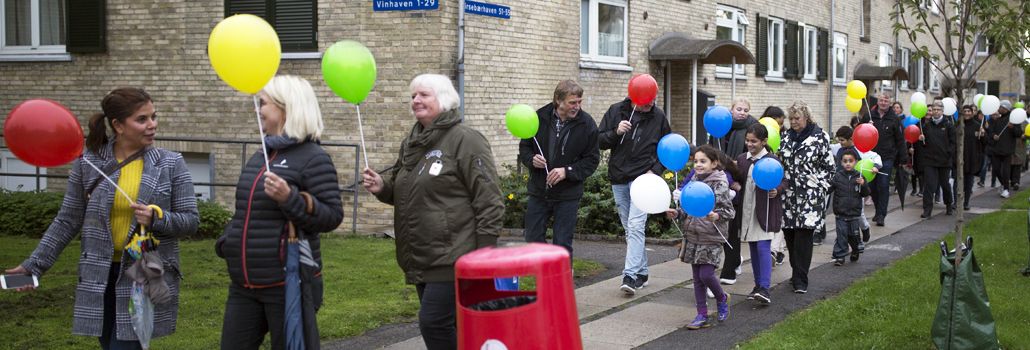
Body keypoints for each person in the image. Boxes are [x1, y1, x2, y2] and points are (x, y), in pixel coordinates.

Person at [5, 88, 199, 349]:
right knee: (108, 343)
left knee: (124, 345)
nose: (152, 125)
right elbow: (67, 220)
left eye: (154, 116)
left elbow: (190, 221)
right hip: (98, 276)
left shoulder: (171, 163)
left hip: (141, 275)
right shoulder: (89, 162)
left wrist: (157, 218)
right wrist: (33, 266)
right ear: (118, 125)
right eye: (142, 119)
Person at [362, 74, 503, 349]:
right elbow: (409, 193)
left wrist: (484, 255)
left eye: (423, 95)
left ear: (444, 98)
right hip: (422, 255)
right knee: (452, 326)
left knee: (434, 323)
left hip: (456, 255)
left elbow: (489, 199)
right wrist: (382, 187)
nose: (415, 100)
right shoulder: (412, 142)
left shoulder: (465, 140)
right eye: (413, 95)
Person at [216, 75, 344, 350]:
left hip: (287, 284)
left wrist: (290, 198)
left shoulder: (313, 157)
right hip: (244, 283)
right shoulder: (261, 154)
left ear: (286, 108)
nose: (257, 109)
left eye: (263, 103)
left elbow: (332, 216)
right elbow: (246, 210)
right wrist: (228, 242)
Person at [598, 92, 671, 295]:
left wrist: (655, 171)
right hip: (619, 177)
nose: (650, 104)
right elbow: (599, 141)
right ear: (634, 97)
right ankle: (642, 272)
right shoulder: (616, 111)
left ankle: (629, 276)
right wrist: (616, 132)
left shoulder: (659, 117)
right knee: (629, 228)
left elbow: (669, 148)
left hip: (644, 178)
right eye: (646, 100)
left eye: (653, 100)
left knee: (636, 225)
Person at [518, 80, 600, 257]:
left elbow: (592, 160)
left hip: (568, 195)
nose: (576, 106)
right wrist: (531, 159)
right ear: (558, 100)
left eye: (579, 102)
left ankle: (561, 282)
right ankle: (544, 276)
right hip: (539, 191)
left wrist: (567, 171)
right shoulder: (538, 118)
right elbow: (524, 148)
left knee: (562, 243)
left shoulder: (587, 124)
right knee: (532, 238)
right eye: (572, 102)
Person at [665, 145, 735, 329]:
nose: (698, 165)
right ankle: (701, 314)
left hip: (711, 236)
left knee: (706, 274)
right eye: (696, 161)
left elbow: (729, 211)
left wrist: (717, 216)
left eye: (703, 161)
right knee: (697, 278)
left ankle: (722, 297)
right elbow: (690, 207)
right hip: (693, 235)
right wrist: (678, 213)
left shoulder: (719, 183)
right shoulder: (694, 180)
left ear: (714, 163)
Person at [780, 100, 834, 294]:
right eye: (791, 118)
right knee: (790, 236)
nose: (793, 122)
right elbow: (781, 162)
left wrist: (819, 186)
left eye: (797, 118)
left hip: (810, 197)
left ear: (806, 117)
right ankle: (796, 272)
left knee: (804, 237)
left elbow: (829, 168)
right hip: (788, 196)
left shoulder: (820, 137)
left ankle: (801, 279)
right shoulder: (785, 137)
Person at [736, 124, 785, 304]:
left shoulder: (772, 160)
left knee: (764, 247)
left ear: (764, 141)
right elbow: (736, 178)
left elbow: (785, 181)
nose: (749, 144)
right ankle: (758, 286)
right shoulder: (742, 159)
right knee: (753, 249)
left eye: (754, 141)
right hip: (747, 211)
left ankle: (765, 288)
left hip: (764, 210)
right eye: (747, 140)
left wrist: (777, 189)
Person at [710, 97, 756, 285]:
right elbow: (711, 152)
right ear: (731, 110)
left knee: (732, 226)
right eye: (739, 109)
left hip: (739, 181)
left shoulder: (752, 127)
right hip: (719, 182)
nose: (742, 112)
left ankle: (729, 269)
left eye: (746, 109)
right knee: (720, 226)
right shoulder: (719, 125)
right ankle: (734, 260)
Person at [860, 92, 907, 226]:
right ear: (878, 101)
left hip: (886, 158)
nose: (883, 103)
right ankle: (877, 211)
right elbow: (858, 131)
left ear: (890, 103)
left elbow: (900, 139)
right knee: (872, 186)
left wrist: (903, 158)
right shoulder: (869, 115)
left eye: (886, 101)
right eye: (881, 100)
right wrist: (866, 126)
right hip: (870, 156)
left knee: (883, 185)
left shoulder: (894, 119)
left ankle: (881, 215)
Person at [834, 126, 879, 246]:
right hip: (842, 185)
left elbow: (872, 159)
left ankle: (865, 228)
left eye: (842, 140)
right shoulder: (839, 150)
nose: (840, 142)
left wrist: (874, 167)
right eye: (839, 140)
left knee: (859, 213)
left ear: (850, 139)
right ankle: (843, 238)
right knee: (843, 213)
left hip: (855, 185)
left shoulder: (858, 151)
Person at [915, 101, 956, 218]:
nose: (936, 111)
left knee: (945, 185)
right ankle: (927, 209)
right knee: (929, 186)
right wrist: (921, 139)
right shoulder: (926, 126)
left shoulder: (948, 125)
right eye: (934, 109)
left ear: (942, 111)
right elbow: (923, 145)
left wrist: (948, 154)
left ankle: (948, 204)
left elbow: (953, 143)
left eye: (938, 109)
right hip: (930, 161)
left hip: (944, 161)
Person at [830, 149, 871, 266]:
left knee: (854, 235)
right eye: (845, 161)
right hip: (841, 213)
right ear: (841, 163)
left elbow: (866, 193)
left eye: (851, 161)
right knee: (841, 235)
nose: (848, 163)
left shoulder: (859, 176)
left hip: (854, 213)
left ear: (856, 162)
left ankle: (855, 250)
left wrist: (863, 184)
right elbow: (829, 188)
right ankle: (840, 256)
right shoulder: (837, 176)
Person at [987, 100, 1020, 198]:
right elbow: (991, 131)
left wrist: (1012, 127)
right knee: (996, 169)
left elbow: (1018, 133)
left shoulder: (1013, 119)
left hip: (1007, 149)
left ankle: (1006, 189)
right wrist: (993, 136)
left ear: (1005, 109)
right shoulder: (996, 119)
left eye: (1000, 107)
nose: (998, 109)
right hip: (996, 149)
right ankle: (1004, 184)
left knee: (1005, 170)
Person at [959, 105, 987, 210]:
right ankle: (957, 202)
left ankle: (966, 202)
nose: (967, 113)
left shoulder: (977, 126)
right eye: (964, 111)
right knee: (958, 183)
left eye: (969, 111)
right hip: (959, 158)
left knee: (968, 183)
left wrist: (983, 134)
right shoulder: (958, 125)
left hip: (972, 158)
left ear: (972, 113)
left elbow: (984, 143)